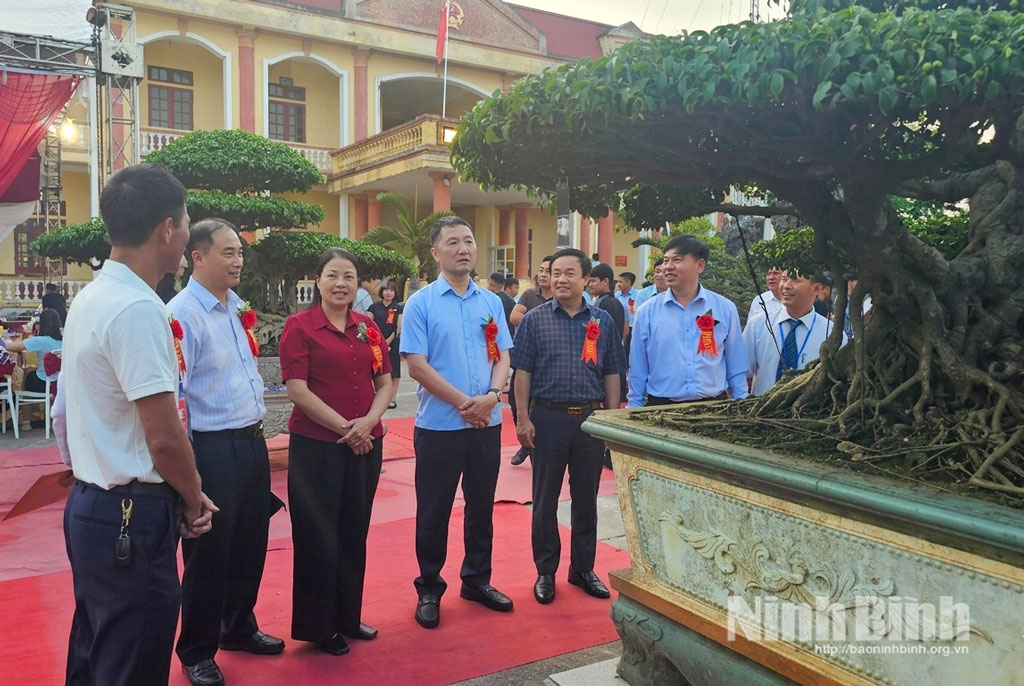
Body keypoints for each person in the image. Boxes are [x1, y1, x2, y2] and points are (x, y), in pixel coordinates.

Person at [58, 163, 217, 686]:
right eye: (187, 220)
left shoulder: (91, 297)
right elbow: (164, 435)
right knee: (134, 661)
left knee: (97, 647)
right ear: (167, 230)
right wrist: (193, 498)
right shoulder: (136, 308)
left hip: (91, 504)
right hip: (130, 512)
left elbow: (62, 415)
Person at [168, 219, 283, 686]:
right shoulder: (182, 314)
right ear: (197, 257)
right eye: (228, 252)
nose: (238, 260)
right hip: (211, 449)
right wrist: (188, 472)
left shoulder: (236, 308)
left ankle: (238, 625)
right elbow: (177, 397)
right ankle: (196, 649)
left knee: (250, 543)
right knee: (209, 553)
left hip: (251, 442)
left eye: (240, 252)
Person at [400, 216, 514, 630]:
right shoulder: (421, 303)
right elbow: (417, 366)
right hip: (440, 428)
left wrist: (492, 397)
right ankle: (429, 586)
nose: (463, 248)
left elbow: (503, 355)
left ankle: (477, 580)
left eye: (468, 240)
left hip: (488, 423)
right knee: (434, 510)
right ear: (436, 253)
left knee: (482, 507)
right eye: (453, 242)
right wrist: (467, 402)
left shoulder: (490, 302)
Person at [280, 247, 392, 656]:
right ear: (318, 281)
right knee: (318, 536)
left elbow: (385, 382)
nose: (341, 283)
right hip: (318, 448)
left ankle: (348, 615)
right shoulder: (301, 326)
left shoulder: (368, 326)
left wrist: (367, 424)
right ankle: (318, 626)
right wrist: (348, 428)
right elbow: (297, 389)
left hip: (366, 445)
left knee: (353, 532)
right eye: (332, 275)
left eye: (349, 276)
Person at [512, 249, 626, 605]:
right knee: (544, 500)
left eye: (569, 273)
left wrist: (610, 420)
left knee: (585, 499)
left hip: (590, 421)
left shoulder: (603, 321)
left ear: (586, 279)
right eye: (554, 272)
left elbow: (611, 372)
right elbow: (523, 372)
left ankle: (582, 569)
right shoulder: (535, 319)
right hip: (547, 418)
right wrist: (522, 417)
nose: (560, 279)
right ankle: (545, 572)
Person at [628, 235, 748, 407]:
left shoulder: (725, 308)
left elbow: (735, 365)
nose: (668, 267)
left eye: (677, 260)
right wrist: (634, 407)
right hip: (661, 407)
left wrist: (741, 404)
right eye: (665, 260)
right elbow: (638, 368)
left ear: (700, 265)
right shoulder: (647, 312)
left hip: (713, 407)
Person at [743, 271, 847, 396]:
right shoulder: (758, 325)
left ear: (816, 289)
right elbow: (740, 373)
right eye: (784, 279)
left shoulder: (832, 334)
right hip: (759, 410)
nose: (786, 285)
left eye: (795, 280)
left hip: (807, 412)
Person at [507, 256, 553, 466]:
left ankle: (536, 446)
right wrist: (542, 319)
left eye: (548, 271)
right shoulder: (529, 295)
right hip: (525, 359)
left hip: (547, 364)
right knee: (516, 404)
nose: (543, 274)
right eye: (541, 270)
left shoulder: (562, 298)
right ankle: (525, 443)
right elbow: (514, 317)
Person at [4, 308, 62, 393]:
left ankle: (21, 401)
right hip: (62, 382)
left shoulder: (40, 340)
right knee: (31, 369)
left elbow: (9, 347)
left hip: (44, 382)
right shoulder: (65, 341)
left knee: (28, 373)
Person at [368, 278, 403, 409]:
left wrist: (388, 341)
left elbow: (399, 327)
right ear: (382, 291)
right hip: (375, 343)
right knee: (376, 369)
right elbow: (368, 323)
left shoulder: (398, 308)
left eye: (392, 290)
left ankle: (392, 399)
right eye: (386, 290)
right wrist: (379, 341)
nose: (389, 293)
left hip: (393, 343)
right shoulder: (374, 307)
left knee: (394, 370)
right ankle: (376, 396)